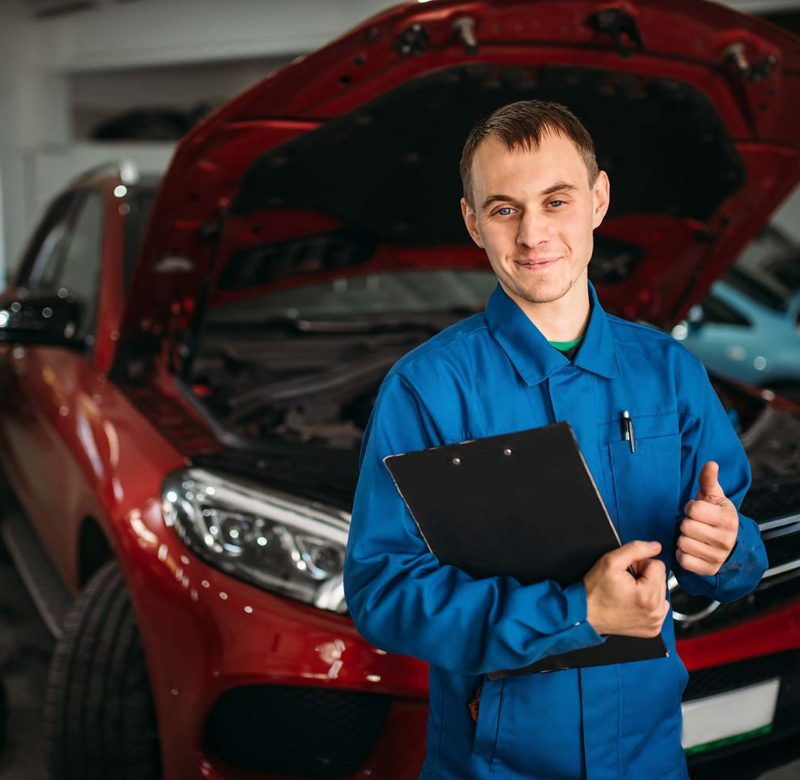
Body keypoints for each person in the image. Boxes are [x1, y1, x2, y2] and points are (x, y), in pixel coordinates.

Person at [343, 99, 768, 780]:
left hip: (649, 758)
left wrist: (725, 551)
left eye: (557, 200)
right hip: (494, 765)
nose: (532, 233)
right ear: (472, 221)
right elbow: (383, 591)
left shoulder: (668, 372)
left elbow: (738, 553)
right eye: (504, 209)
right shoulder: (428, 389)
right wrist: (576, 612)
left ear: (599, 200)